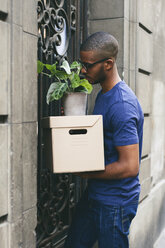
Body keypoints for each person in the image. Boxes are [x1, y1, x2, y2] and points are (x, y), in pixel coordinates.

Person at [64, 32, 144, 248]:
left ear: (108, 64)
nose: (82, 70)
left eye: (87, 65)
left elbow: (130, 166)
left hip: (115, 203)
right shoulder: (103, 94)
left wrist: (85, 173)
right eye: (82, 63)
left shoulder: (122, 106)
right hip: (96, 194)